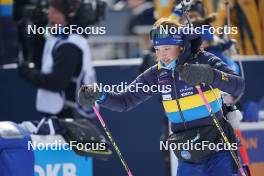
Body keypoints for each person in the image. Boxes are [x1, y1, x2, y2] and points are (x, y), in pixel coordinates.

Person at [79, 18, 245, 176]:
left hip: (219, 147)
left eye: (167, 48)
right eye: (158, 50)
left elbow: (238, 85)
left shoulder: (203, 59)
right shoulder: (156, 74)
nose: (163, 55)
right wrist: (100, 96)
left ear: (180, 46)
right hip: (189, 152)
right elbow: (124, 101)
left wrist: (208, 74)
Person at [19, 0, 96, 121]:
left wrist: (26, 72)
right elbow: (40, 65)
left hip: (72, 115)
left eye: (54, 12)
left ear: (69, 15)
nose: (49, 16)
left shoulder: (70, 44)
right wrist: (37, 27)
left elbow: (56, 82)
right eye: (48, 12)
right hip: (62, 112)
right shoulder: (57, 38)